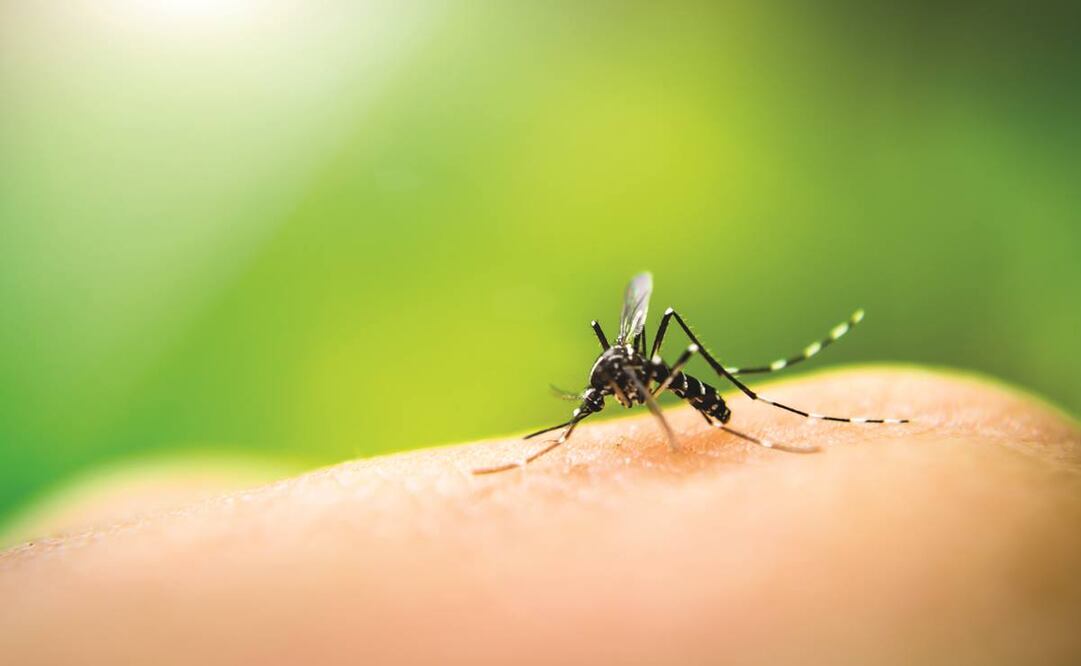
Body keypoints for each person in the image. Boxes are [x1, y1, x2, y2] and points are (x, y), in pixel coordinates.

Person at [1, 367, 1079, 665]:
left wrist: (702, 416)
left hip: (724, 404)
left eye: (599, 400)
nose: (602, 405)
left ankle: (759, 405)